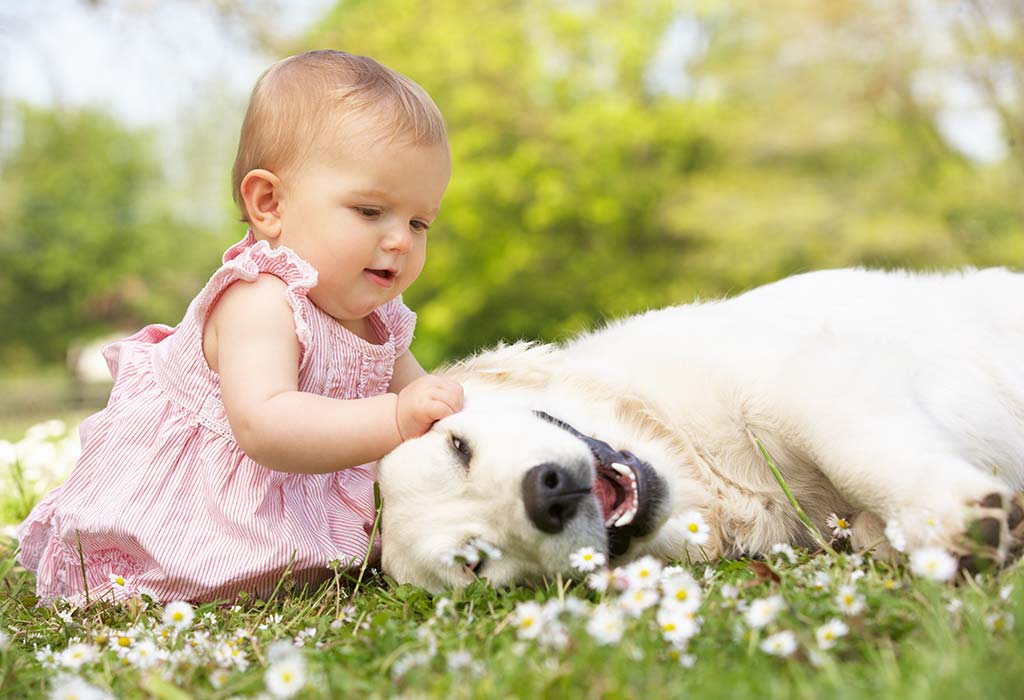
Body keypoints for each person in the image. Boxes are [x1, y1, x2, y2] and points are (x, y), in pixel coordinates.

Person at [17, 50, 464, 604]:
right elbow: (267, 425)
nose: (401, 240)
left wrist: (446, 413)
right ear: (269, 203)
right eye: (371, 212)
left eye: (419, 222)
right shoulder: (259, 298)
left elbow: (424, 398)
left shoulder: (382, 320)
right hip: (199, 508)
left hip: (294, 499)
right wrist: (397, 417)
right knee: (167, 579)